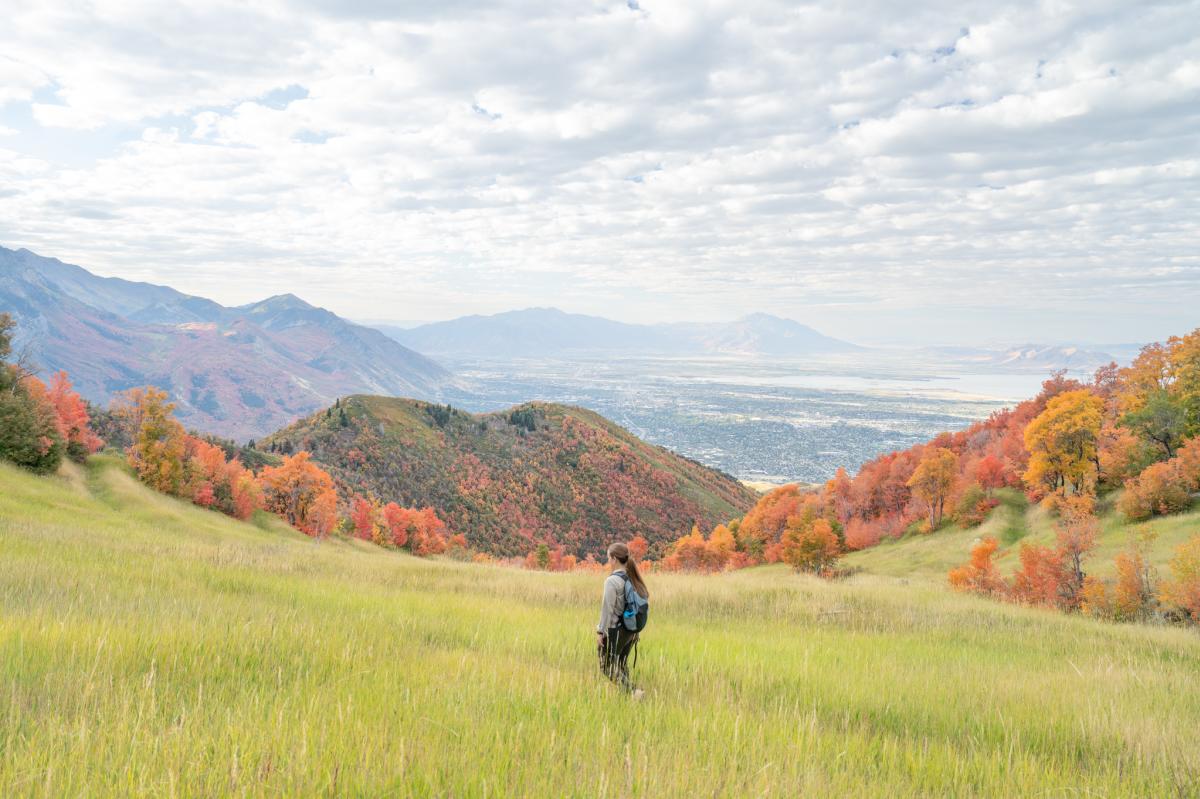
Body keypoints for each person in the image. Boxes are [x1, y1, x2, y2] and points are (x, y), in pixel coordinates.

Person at [596, 541, 648, 698]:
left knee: (607, 666)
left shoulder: (612, 581)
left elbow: (607, 608)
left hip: (615, 630)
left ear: (614, 558)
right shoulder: (633, 577)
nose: (608, 562)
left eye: (608, 558)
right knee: (621, 664)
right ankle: (628, 698)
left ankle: (633, 693)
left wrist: (600, 631)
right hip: (631, 631)